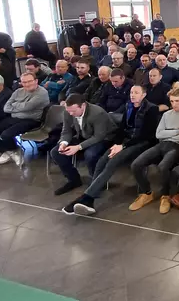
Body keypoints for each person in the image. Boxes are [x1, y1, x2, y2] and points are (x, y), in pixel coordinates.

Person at [63, 84, 159, 216]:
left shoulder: (152, 109)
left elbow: (147, 134)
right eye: (131, 92)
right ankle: (91, 194)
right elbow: (121, 129)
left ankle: (87, 198)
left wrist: (123, 146)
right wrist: (117, 143)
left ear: (143, 95)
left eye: (136, 92)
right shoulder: (128, 106)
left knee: (113, 161)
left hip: (143, 142)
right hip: (126, 141)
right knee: (102, 160)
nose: (132, 95)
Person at [129, 88, 179, 214]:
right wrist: (177, 130)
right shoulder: (166, 114)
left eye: (177, 101)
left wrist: (169, 134)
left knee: (163, 166)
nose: (174, 104)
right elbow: (158, 134)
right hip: (162, 144)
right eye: (171, 101)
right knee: (136, 164)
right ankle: (146, 192)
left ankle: (165, 195)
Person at [50, 94, 116, 195]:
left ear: (83, 106)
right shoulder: (68, 111)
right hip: (84, 135)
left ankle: (97, 183)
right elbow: (66, 131)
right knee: (56, 152)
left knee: (90, 155)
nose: (71, 113)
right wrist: (63, 143)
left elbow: (99, 136)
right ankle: (74, 180)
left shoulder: (97, 113)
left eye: (74, 111)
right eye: (69, 111)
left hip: (105, 139)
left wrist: (78, 147)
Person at [0, 72, 49, 166]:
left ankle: (11, 151)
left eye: (30, 81)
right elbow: (6, 108)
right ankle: (11, 152)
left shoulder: (42, 93)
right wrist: (20, 107)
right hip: (14, 118)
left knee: (5, 135)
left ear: (36, 81)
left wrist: (15, 106)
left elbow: (27, 107)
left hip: (31, 120)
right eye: (24, 82)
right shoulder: (18, 92)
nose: (27, 84)